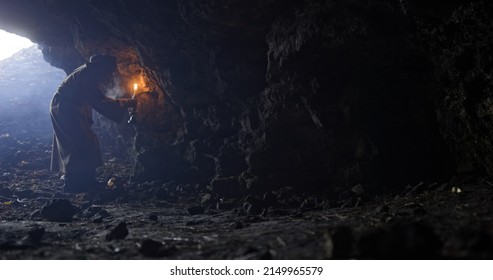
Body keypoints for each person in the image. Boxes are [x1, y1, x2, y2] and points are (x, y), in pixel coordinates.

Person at [50, 54, 136, 193]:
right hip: (65, 108)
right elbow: (99, 101)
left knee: (84, 141)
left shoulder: (87, 73)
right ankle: (74, 182)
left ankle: (86, 180)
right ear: (100, 68)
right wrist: (126, 103)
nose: (109, 75)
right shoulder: (85, 77)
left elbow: (99, 98)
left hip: (70, 108)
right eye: (108, 72)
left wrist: (121, 102)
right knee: (79, 143)